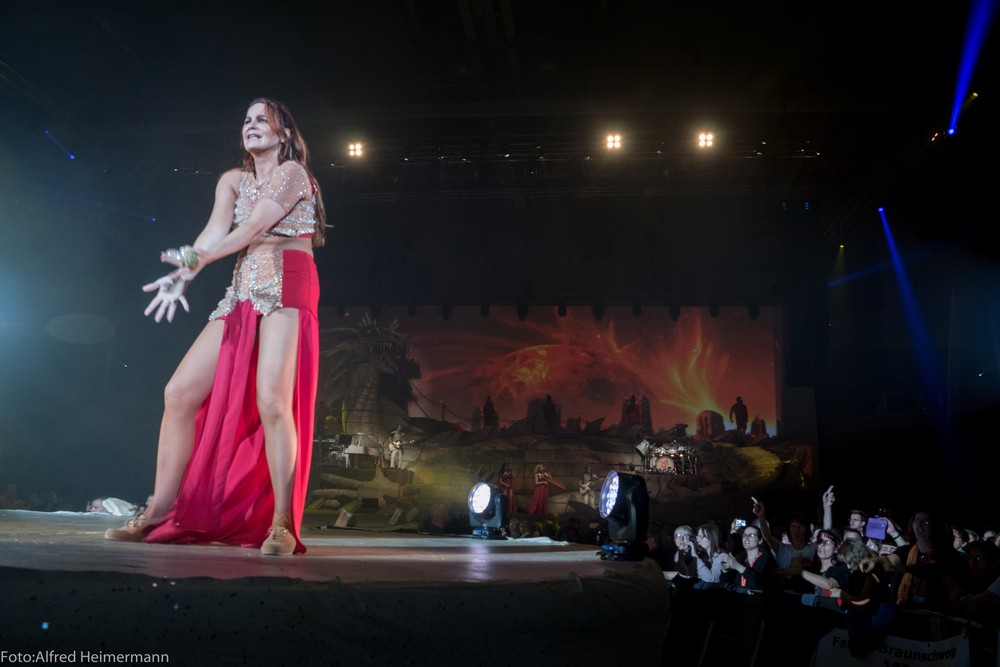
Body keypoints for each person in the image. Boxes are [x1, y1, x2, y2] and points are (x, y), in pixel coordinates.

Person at [105, 98, 327, 556]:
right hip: (244, 284)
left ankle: (282, 523)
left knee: (272, 399)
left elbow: (254, 228)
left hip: (288, 277)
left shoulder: (292, 173)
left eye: (262, 119)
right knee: (179, 392)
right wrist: (185, 271)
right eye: (246, 120)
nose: (251, 125)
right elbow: (214, 232)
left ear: (284, 133)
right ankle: (158, 510)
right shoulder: (231, 180)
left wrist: (198, 260)